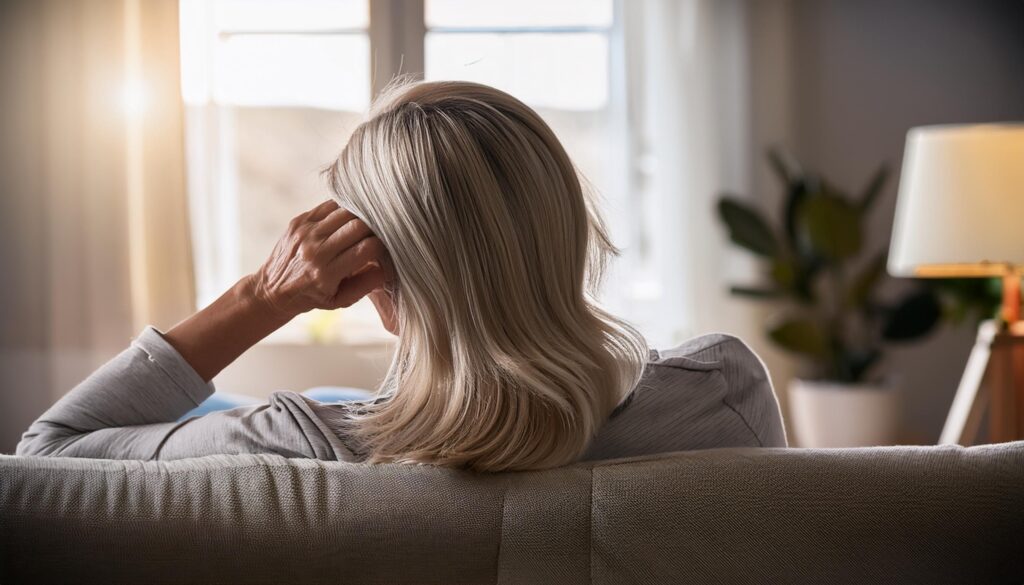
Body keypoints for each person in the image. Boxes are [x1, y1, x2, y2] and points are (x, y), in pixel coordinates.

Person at [17, 80, 785, 471]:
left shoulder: (309, 443)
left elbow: (48, 455)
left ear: (373, 273)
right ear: (561, 227)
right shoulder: (720, 390)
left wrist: (264, 294)